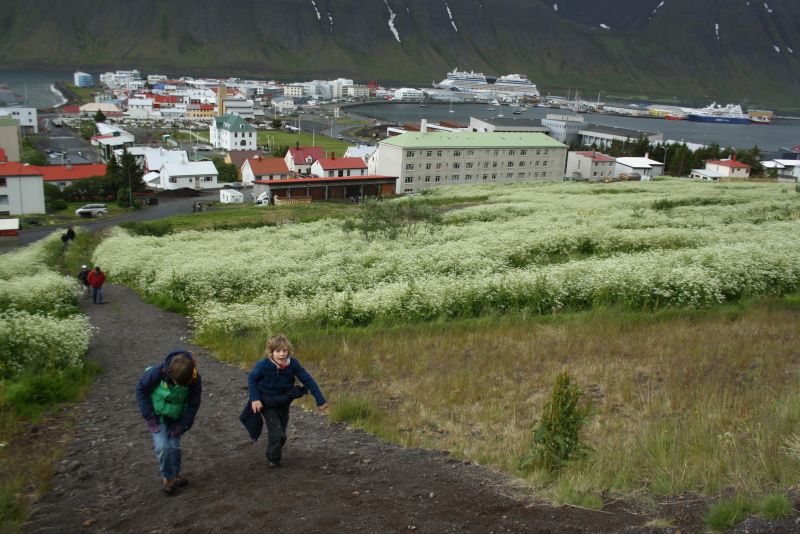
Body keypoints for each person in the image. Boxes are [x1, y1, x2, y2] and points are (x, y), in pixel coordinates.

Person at [248, 334, 328, 468]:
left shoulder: (293, 364)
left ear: (288, 351)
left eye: (284, 351)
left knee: (282, 435)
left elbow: (308, 380)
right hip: (266, 402)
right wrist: (255, 399)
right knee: (277, 434)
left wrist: (320, 400)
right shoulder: (263, 365)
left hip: (284, 401)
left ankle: (274, 450)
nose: (281, 354)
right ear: (271, 352)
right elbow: (252, 379)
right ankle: (273, 459)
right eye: (277, 351)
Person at [136, 351, 202, 495]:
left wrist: (183, 425)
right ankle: (168, 477)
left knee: (174, 447)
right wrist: (149, 417)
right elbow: (141, 389)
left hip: (176, 418)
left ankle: (175, 475)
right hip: (157, 417)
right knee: (162, 447)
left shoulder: (194, 379)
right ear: (170, 375)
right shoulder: (157, 372)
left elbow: (193, 404)